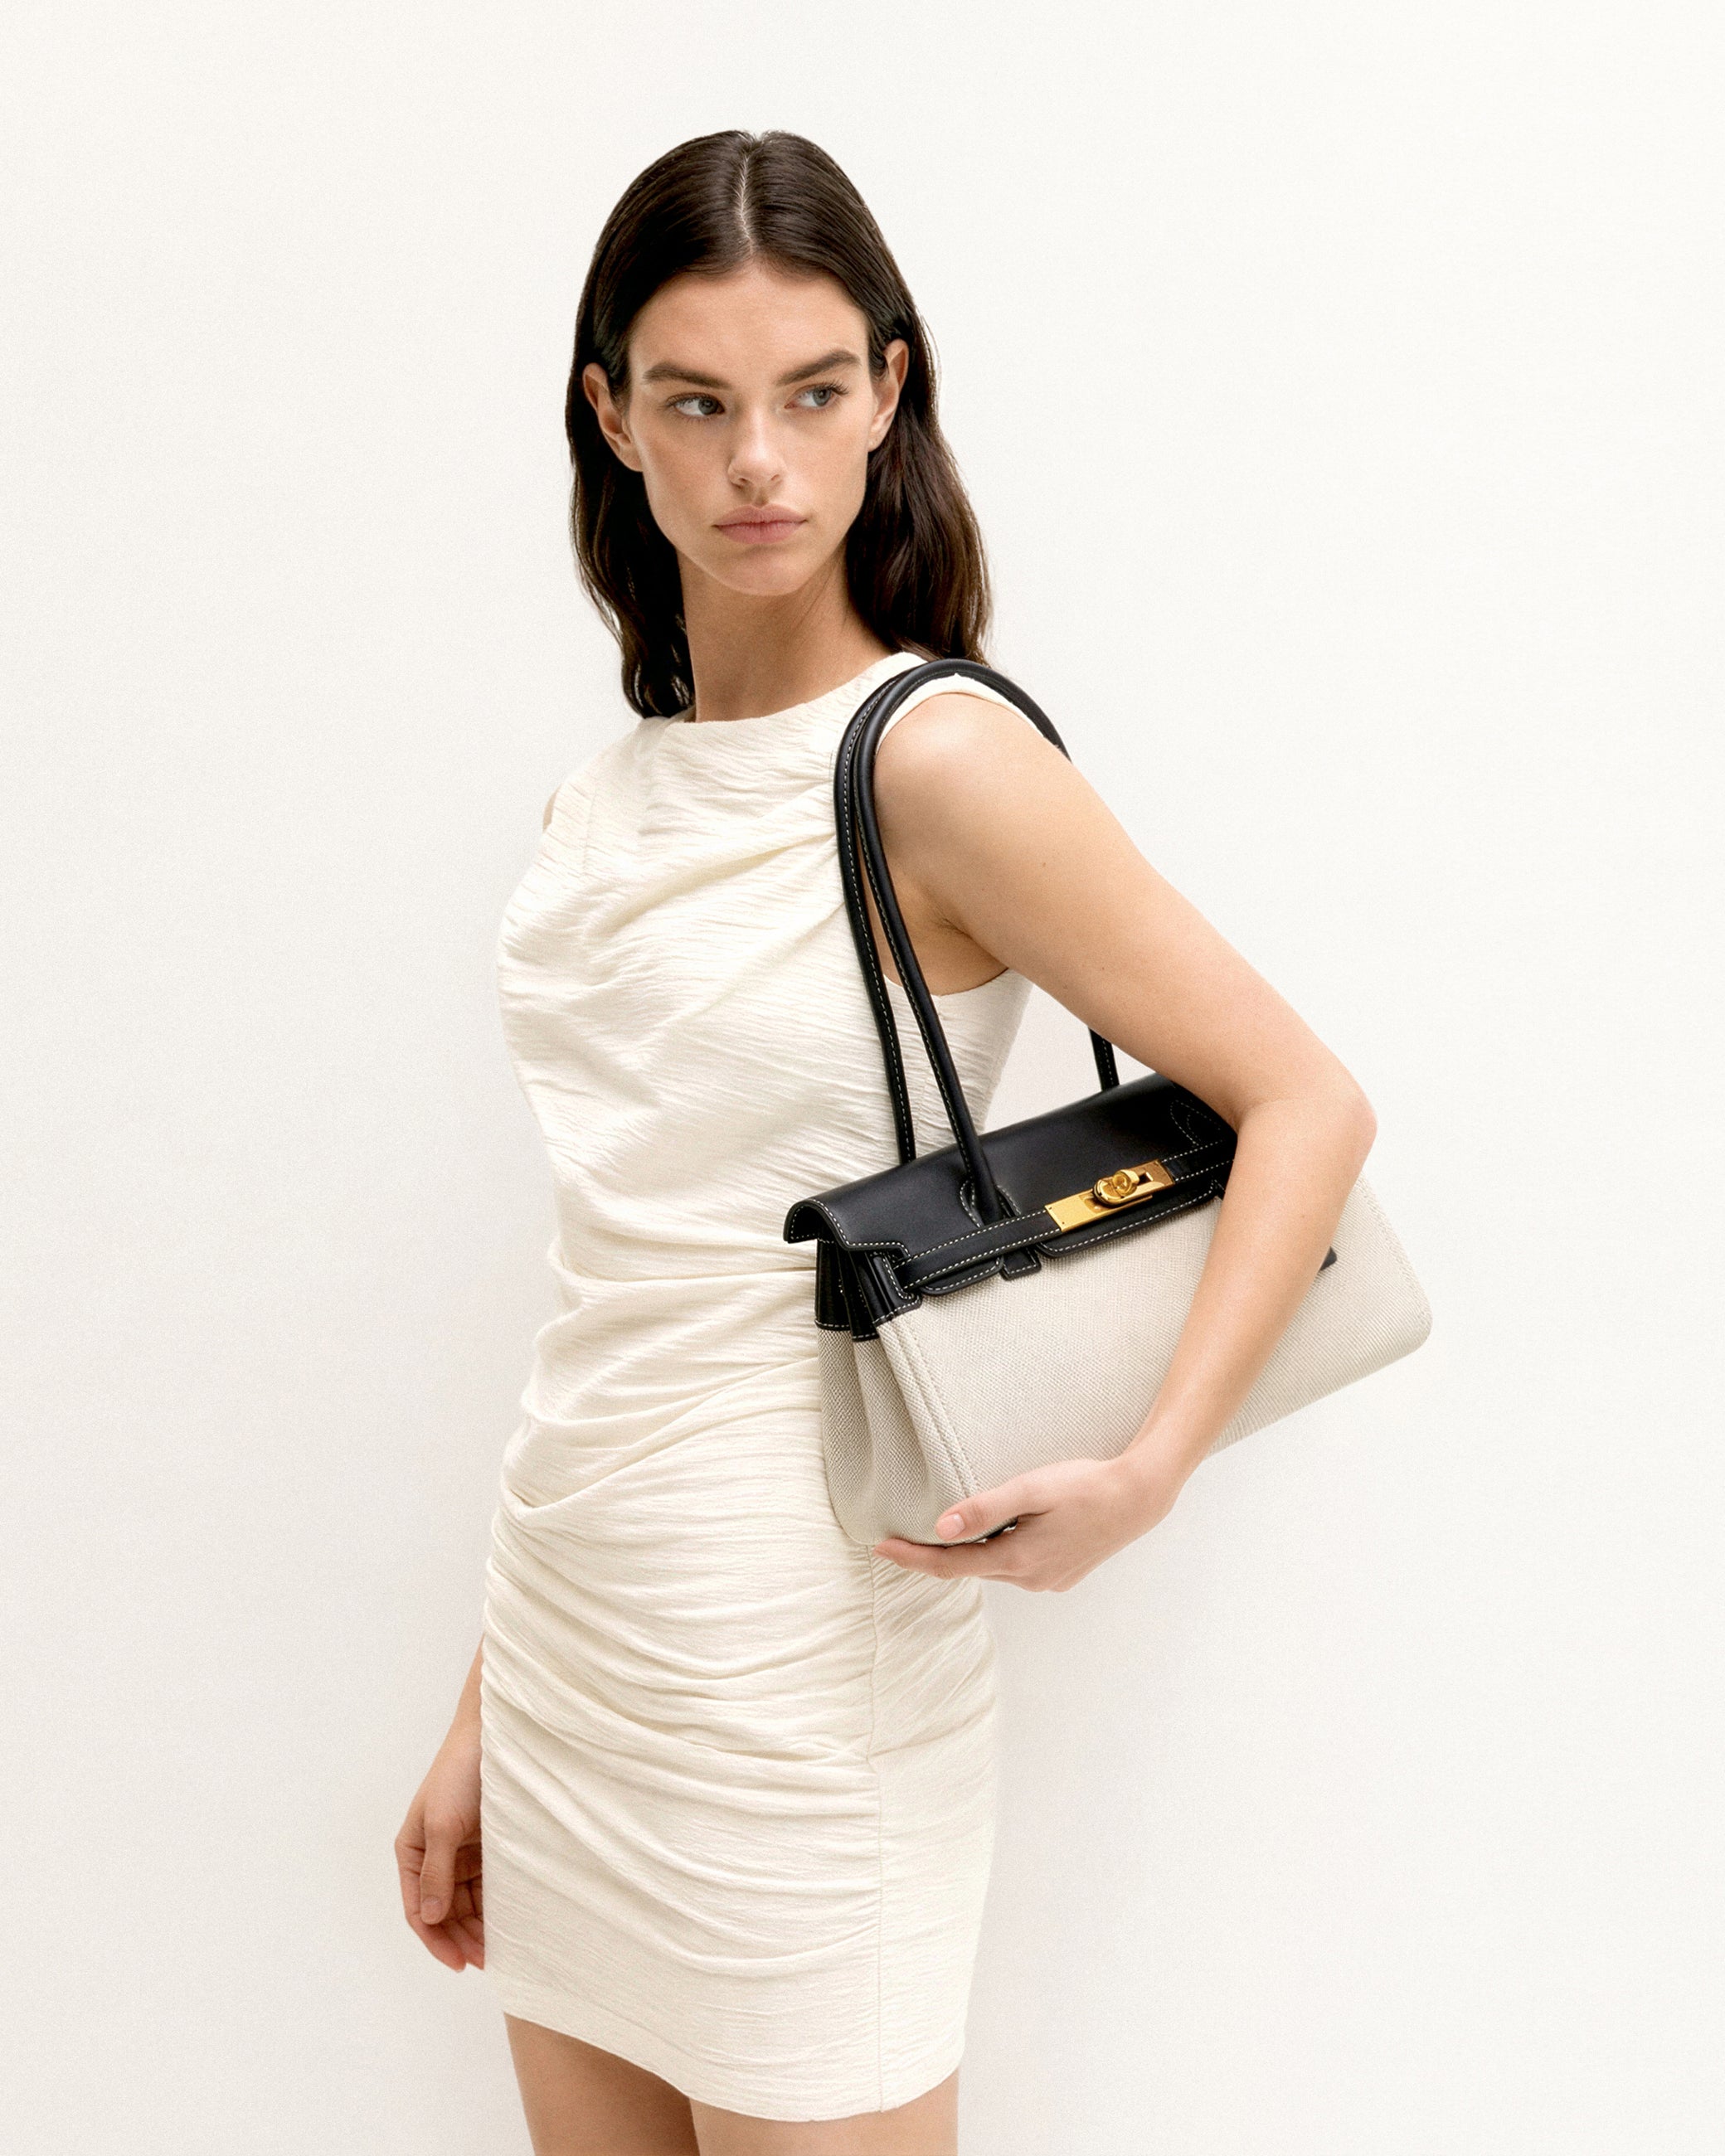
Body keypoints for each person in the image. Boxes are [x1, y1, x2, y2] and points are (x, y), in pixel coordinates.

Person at [394, 128, 1377, 2155]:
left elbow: (1303, 1100)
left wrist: (1148, 1469)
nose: (756, 460)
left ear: (885, 395)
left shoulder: (932, 758)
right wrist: (491, 1703)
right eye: (695, 402)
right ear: (611, 417)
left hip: (799, 1665)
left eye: (810, 392)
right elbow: (630, 1278)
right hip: (574, 1622)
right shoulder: (607, 796)